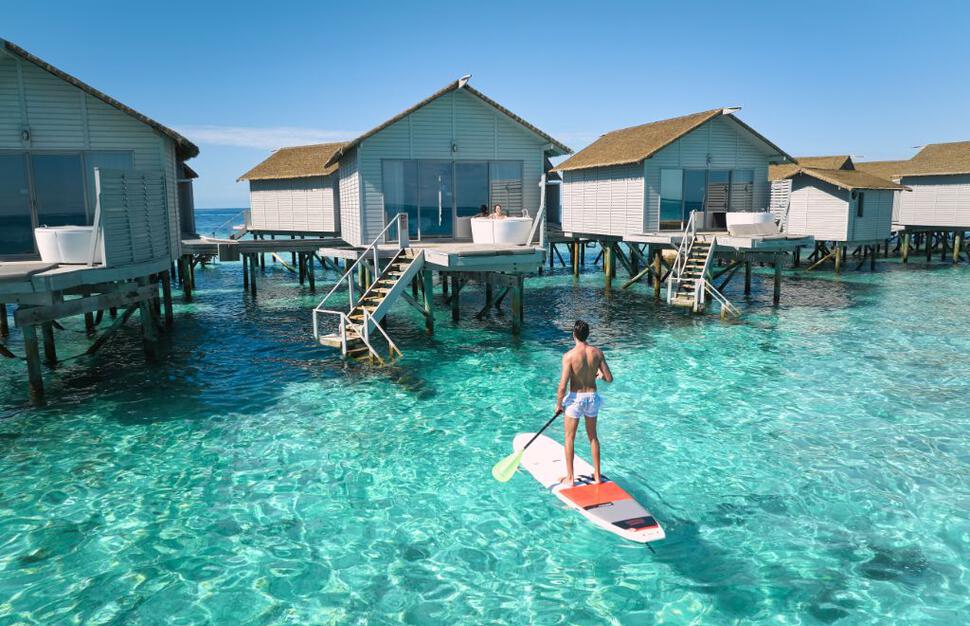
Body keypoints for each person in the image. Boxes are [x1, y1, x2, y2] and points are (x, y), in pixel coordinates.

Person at [554, 320, 612, 487]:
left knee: (569, 437)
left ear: (574, 334)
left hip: (576, 399)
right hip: (592, 397)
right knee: (593, 437)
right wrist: (600, 374)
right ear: (587, 334)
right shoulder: (597, 353)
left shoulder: (569, 356)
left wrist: (559, 404)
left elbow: (562, 385)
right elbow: (609, 378)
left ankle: (570, 478)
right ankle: (598, 477)